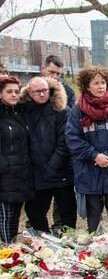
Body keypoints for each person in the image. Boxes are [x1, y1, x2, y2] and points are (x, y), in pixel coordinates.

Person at [66, 66, 108, 232]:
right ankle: (95, 253)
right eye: (95, 83)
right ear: (86, 86)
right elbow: (73, 138)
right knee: (94, 215)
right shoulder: (77, 110)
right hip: (89, 172)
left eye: (103, 82)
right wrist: (95, 156)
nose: (100, 86)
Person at [20, 77, 76, 232]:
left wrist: (51, 167)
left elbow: (64, 143)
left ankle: (68, 245)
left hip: (61, 171)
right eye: (37, 91)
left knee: (67, 213)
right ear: (29, 92)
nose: (42, 94)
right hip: (35, 173)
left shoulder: (61, 110)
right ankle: (44, 243)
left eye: (45, 90)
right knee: (35, 212)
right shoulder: (23, 110)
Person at [0, 75, 34, 242]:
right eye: (9, 92)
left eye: (16, 91)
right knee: (5, 220)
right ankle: (5, 256)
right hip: (5, 176)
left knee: (14, 219)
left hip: (20, 175)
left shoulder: (18, 113)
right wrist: (5, 166)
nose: (14, 94)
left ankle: (11, 257)